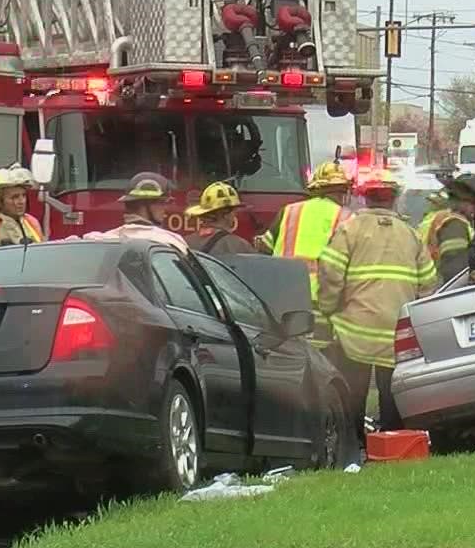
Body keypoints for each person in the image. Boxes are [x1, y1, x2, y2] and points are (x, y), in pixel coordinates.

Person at [314, 169, 437, 437]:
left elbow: (330, 273)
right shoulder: (411, 235)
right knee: (391, 394)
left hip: (354, 332)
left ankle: (353, 441)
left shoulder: (349, 230)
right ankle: (391, 441)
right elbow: (428, 285)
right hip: (395, 334)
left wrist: (328, 308)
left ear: (365, 198)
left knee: (352, 394)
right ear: (394, 199)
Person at [263, 162, 352, 296]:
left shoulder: (288, 210)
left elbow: (265, 247)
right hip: (320, 295)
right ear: (344, 193)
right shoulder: (346, 217)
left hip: (281, 292)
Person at [422, 173, 475, 283]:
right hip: (442, 290)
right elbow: (455, 271)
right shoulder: (454, 225)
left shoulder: (436, 217)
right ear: (465, 200)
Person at [97, 171, 186, 248]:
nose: (165, 209)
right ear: (145, 204)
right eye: (162, 203)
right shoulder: (170, 242)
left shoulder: (103, 241)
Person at [183, 182, 256, 256]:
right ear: (226, 214)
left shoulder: (183, 243)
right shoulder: (240, 246)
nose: (235, 215)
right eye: (234, 211)